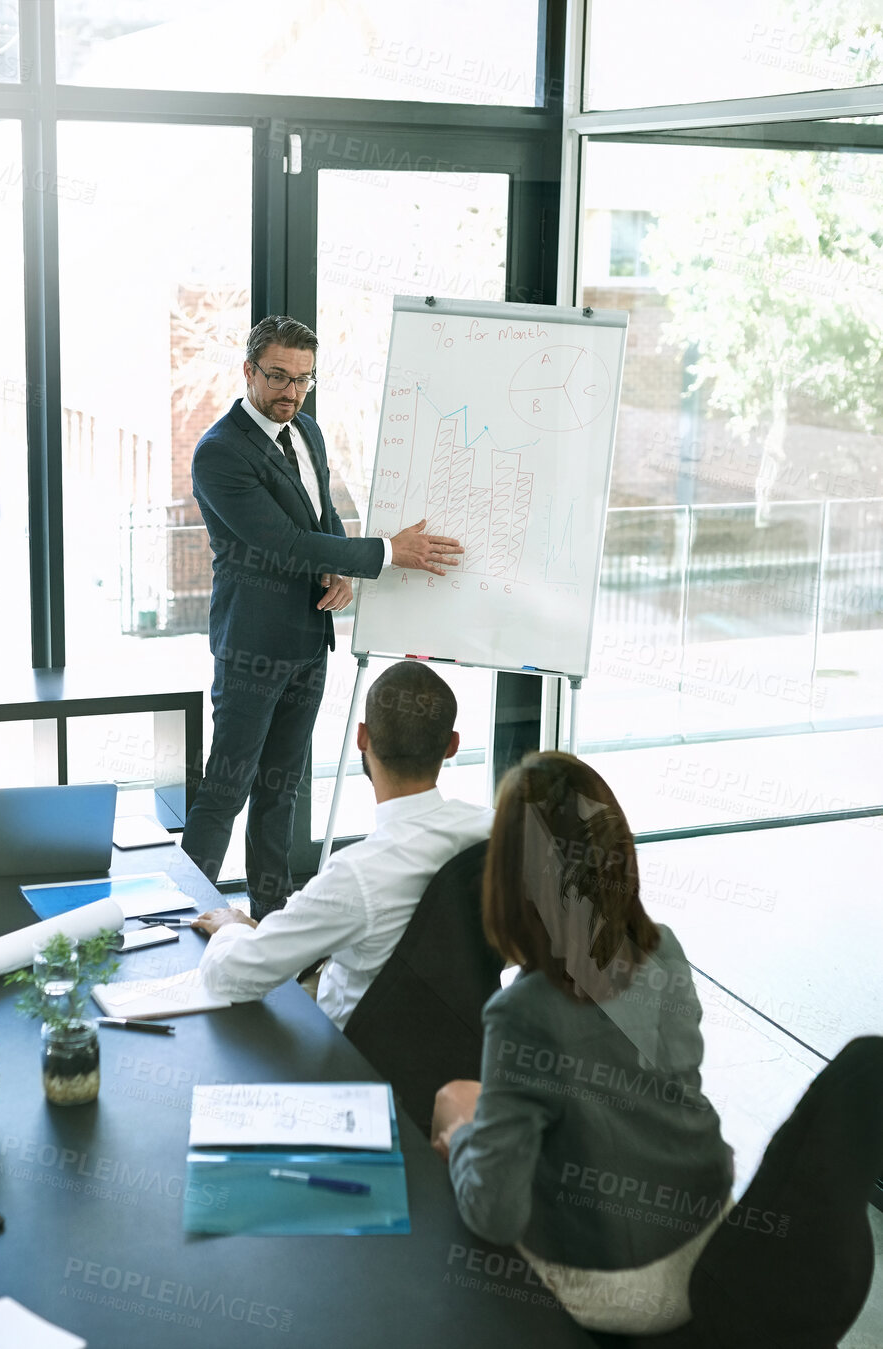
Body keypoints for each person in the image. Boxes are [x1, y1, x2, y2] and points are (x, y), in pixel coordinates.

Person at [430, 752, 734, 1336]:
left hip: (626, 1283)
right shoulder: (665, 950)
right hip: (713, 1235)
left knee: (453, 1103)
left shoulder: (523, 1013)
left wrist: (461, 1139)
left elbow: (496, 1215)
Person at [181, 314, 465, 919]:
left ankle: (270, 915)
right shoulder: (220, 452)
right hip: (252, 643)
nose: (291, 392)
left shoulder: (306, 430)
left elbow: (321, 516)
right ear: (249, 371)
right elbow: (281, 543)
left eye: (304, 380)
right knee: (225, 790)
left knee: (281, 789)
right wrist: (385, 554)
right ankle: (185, 915)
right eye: (279, 377)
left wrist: (339, 566)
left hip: (311, 637)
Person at [191, 660, 492, 1029]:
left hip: (354, 1053)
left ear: (362, 737)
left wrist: (231, 927)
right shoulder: (497, 830)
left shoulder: (358, 874)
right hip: (461, 1038)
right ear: (452, 745)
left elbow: (227, 978)